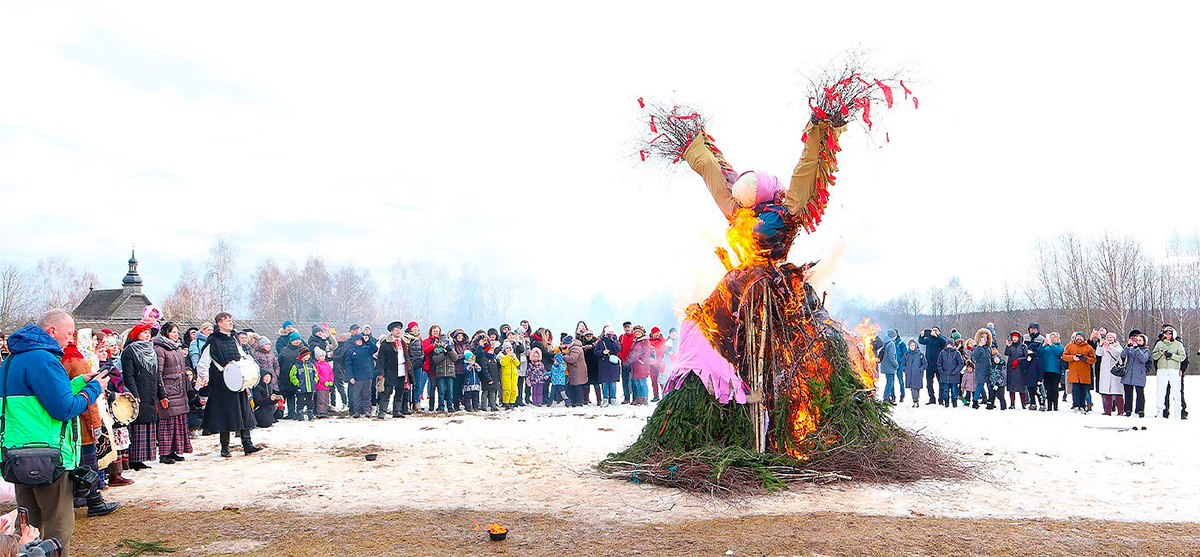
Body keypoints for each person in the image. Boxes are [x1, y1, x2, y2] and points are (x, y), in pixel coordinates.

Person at [2, 310, 107, 553]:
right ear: (52, 331)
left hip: (16, 455)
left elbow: (38, 401)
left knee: (27, 528)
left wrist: (80, 382)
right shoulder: (45, 360)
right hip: (48, 456)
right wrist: (93, 389)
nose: (71, 339)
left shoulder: (12, 360)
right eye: (69, 333)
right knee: (59, 529)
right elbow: (65, 408)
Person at [61, 330, 118, 517]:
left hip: (70, 422)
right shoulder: (76, 362)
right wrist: (94, 423)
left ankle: (82, 499)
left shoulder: (61, 360)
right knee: (87, 465)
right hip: (81, 425)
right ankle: (93, 501)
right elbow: (87, 397)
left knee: (75, 465)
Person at [198, 312, 261, 457]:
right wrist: (205, 377)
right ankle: (225, 447)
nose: (230, 323)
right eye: (226, 320)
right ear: (219, 323)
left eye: (230, 320)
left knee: (244, 412)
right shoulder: (213, 340)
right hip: (222, 382)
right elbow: (203, 362)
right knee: (225, 415)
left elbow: (241, 356)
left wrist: (247, 373)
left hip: (238, 380)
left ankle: (247, 444)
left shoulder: (234, 338)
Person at [120, 323, 164, 471]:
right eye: (143, 332)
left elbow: (157, 374)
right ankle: (134, 459)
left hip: (150, 391)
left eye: (148, 333)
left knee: (148, 425)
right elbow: (129, 375)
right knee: (138, 424)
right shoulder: (130, 351)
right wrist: (134, 393)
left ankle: (144, 456)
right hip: (139, 390)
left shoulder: (151, 350)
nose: (146, 335)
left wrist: (161, 394)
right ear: (136, 335)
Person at [153, 322, 192, 465]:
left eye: (177, 332)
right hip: (169, 391)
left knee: (178, 422)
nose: (176, 335)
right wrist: (162, 395)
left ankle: (175, 450)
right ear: (165, 333)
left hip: (179, 390)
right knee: (167, 424)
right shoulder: (160, 349)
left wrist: (188, 372)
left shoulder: (176, 348)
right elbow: (158, 373)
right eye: (173, 332)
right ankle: (164, 453)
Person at [376, 322, 410, 419]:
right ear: (391, 331)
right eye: (396, 329)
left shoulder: (404, 342)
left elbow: (408, 356)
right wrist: (380, 372)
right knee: (387, 392)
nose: (398, 331)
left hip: (402, 369)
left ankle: (397, 411)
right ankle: (382, 411)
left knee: (400, 391)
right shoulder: (386, 343)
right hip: (390, 370)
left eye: (399, 329)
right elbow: (381, 359)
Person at [1152, 325, 1185, 420]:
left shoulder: (1178, 344)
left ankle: (1178, 411)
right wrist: (1160, 354)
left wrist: (1171, 355)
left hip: (1173, 369)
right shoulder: (1159, 344)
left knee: (1176, 390)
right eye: (1166, 333)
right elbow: (1154, 355)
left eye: (1170, 334)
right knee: (1160, 390)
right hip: (1162, 369)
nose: (1168, 335)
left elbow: (1182, 357)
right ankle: (1159, 411)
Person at [1062, 332, 1096, 412]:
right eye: (1078, 337)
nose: (1079, 338)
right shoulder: (1070, 346)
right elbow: (1064, 356)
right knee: (1075, 390)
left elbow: (1093, 359)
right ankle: (1076, 405)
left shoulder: (1088, 347)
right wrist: (1073, 357)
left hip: (1084, 372)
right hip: (1074, 371)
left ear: (1083, 338)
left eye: (1081, 337)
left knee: (1084, 390)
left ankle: (1082, 406)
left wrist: (1085, 359)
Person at [344, 334, 376, 419]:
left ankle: (368, 411)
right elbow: (349, 365)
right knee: (356, 395)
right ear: (354, 341)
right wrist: (350, 377)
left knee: (367, 395)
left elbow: (375, 349)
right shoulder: (351, 351)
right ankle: (356, 411)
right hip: (357, 377)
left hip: (367, 375)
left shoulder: (367, 349)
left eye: (361, 340)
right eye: (358, 340)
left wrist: (368, 340)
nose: (360, 341)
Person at [426, 328, 458, 412]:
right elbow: (435, 359)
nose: (444, 343)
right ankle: (441, 406)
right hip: (440, 373)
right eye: (443, 342)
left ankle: (450, 406)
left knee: (450, 391)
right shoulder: (437, 350)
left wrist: (449, 350)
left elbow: (455, 358)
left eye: (446, 342)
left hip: (450, 373)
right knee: (441, 391)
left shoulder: (451, 349)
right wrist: (444, 354)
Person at [1120, 331, 1150, 417]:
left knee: (1139, 393)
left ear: (1144, 342)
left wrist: (1137, 348)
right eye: (1137, 340)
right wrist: (1127, 346)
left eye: (1140, 340)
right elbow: (1122, 355)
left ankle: (1140, 409)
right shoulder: (1130, 348)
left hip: (1139, 374)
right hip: (1129, 373)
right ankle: (1128, 409)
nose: (1138, 341)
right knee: (1128, 393)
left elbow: (1143, 359)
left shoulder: (1146, 350)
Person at [1095, 332, 1125, 415]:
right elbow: (1098, 353)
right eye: (1108, 337)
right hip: (1105, 371)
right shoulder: (1104, 346)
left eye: (1111, 337)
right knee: (1106, 392)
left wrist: (1110, 347)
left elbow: (1117, 354)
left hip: (1115, 371)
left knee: (1118, 392)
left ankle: (1121, 411)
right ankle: (1107, 411)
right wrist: (1101, 345)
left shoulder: (1118, 346)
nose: (1109, 339)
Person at [918, 327, 948, 405]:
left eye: (936, 330)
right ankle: (932, 398)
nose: (934, 332)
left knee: (941, 383)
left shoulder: (941, 338)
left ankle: (941, 399)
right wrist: (921, 335)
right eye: (933, 330)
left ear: (939, 332)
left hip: (939, 365)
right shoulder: (929, 339)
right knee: (929, 384)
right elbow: (921, 341)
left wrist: (937, 336)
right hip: (929, 365)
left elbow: (945, 342)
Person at [627, 326, 656, 406]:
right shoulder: (635, 341)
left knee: (642, 382)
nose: (637, 333)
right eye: (636, 332)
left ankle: (644, 398)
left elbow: (647, 352)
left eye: (638, 332)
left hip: (642, 366)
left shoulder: (645, 341)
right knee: (637, 382)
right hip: (635, 366)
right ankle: (639, 398)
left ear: (642, 333)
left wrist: (642, 361)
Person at [594, 326, 622, 407]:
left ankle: (613, 398)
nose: (611, 334)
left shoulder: (616, 341)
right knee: (605, 383)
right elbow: (595, 352)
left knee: (613, 383)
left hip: (613, 365)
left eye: (612, 333)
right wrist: (602, 352)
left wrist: (613, 341)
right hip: (603, 365)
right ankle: (605, 399)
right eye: (609, 333)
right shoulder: (601, 342)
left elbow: (618, 349)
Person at [402, 323, 425, 413]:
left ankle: (416, 403)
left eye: (417, 327)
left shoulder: (419, 338)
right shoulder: (405, 338)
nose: (416, 329)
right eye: (414, 327)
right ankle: (407, 404)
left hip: (418, 364)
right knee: (408, 385)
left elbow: (422, 350)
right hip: (409, 364)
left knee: (417, 385)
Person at [1023, 325, 1045, 411]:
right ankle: (1033, 403)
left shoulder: (1037, 359)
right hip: (1029, 378)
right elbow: (1024, 367)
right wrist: (1027, 360)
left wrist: (1040, 379)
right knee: (1031, 392)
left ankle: (1042, 403)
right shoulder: (1028, 358)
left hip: (1036, 378)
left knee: (1038, 392)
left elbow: (1040, 370)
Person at [577, 324, 600, 406]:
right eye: (587, 336)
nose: (589, 337)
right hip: (586, 366)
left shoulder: (596, 343)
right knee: (586, 384)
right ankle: (586, 399)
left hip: (595, 366)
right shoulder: (582, 344)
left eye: (590, 336)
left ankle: (599, 400)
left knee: (596, 384)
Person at [1003, 332, 1027, 409]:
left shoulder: (1023, 346)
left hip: (1020, 369)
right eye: (1013, 337)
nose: (1014, 339)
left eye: (1016, 337)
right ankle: (1012, 404)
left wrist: (1018, 360)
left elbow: (1026, 357)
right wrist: (1008, 346)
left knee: (1022, 388)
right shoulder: (1011, 346)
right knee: (1011, 387)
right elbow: (1006, 353)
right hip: (1011, 369)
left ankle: (1023, 403)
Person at [936, 339, 963, 407]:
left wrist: (956, 371)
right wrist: (941, 371)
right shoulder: (942, 353)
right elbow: (939, 363)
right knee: (945, 391)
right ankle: (946, 402)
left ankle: (954, 402)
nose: (949, 346)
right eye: (948, 345)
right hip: (945, 376)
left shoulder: (957, 353)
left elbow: (960, 363)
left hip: (954, 376)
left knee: (954, 391)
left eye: (951, 345)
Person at [902, 339, 926, 408]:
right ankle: (915, 401)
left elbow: (925, 364)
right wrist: (905, 369)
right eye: (911, 345)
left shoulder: (920, 355)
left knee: (917, 388)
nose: (912, 347)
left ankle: (916, 400)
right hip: (909, 374)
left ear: (916, 346)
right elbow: (903, 363)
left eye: (913, 345)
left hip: (917, 375)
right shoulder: (906, 355)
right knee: (913, 388)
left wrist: (920, 369)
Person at [878, 330, 899, 404]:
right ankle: (886, 398)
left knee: (889, 382)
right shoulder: (891, 344)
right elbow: (891, 357)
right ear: (893, 335)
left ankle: (888, 397)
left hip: (885, 366)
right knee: (890, 383)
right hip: (890, 367)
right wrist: (896, 365)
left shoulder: (885, 342)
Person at [313, 347, 334, 418]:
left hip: (327, 385)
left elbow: (331, 373)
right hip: (320, 385)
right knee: (321, 399)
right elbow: (318, 374)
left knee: (326, 398)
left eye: (323, 356)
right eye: (320, 356)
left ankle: (325, 411)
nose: (322, 357)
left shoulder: (326, 364)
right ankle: (320, 412)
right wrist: (324, 381)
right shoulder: (316, 365)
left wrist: (331, 380)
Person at [617, 322, 635, 404]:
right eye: (625, 327)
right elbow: (619, 348)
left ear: (631, 327)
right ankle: (626, 397)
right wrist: (621, 357)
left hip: (633, 361)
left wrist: (632, 358)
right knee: (625, 380)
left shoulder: (635, 336)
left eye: (628, 327)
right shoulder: (622, 337)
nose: (627, 329)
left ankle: (635, 398)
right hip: (624, 362)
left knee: (634, 380)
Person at [499, 342, 520, 408]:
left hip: (514, 375)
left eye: (509, 348)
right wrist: (508, 356)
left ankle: (512, 402)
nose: (508, 350)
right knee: (507, 389)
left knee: (514, 389)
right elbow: (503, 363)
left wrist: (514, 358)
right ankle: (506, 402)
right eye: (506, 348)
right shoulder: (502, 356)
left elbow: (517, 363)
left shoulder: (513, 355)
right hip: (506, 375)